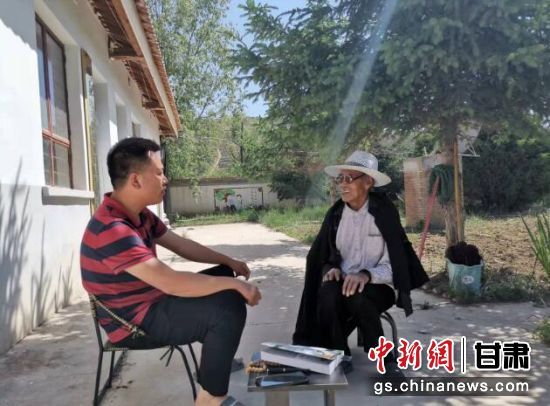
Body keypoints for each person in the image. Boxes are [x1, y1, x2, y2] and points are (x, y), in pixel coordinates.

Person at [80, 137, 260, 406]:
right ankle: (211, 399)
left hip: (150, 300)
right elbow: (171, 282)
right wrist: (237, 285)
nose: (166, 179)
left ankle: (215, 359)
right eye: (159, 172)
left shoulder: (139, 214)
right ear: (136, 180)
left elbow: (182, 246)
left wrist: (228, 262)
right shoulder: (113, 229)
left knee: (223, 274)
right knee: (228, 307)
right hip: (133, 323)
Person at [293, 151, 429, 375]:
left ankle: (385, 359)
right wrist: (331, 269)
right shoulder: (336, 215)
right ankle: (339, 354)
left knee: (357, 296)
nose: (342, 184)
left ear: (368, 182)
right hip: (344, 284)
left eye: (349, 178)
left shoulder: (384, 214)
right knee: (327, 293)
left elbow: (395, 265)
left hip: (379, 287)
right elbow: (324, 256)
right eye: (340, 178)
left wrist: (366, 275)